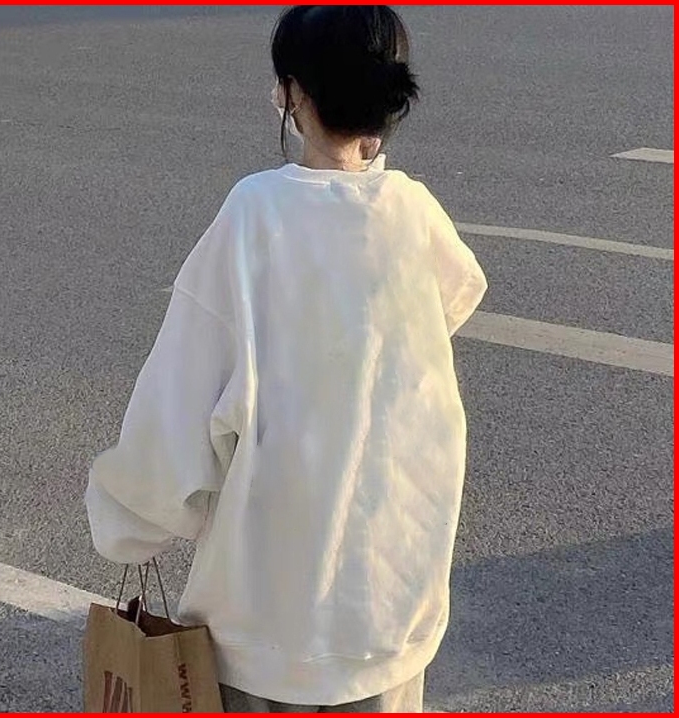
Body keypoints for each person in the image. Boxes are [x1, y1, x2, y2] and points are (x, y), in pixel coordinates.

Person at [86, 5, 487, 713]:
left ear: (294, 93)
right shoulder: (412, 211)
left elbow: (179, 409)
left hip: (267, 620)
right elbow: (457, 294)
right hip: (390, 608)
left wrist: (126, 526)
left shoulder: (256, 214)